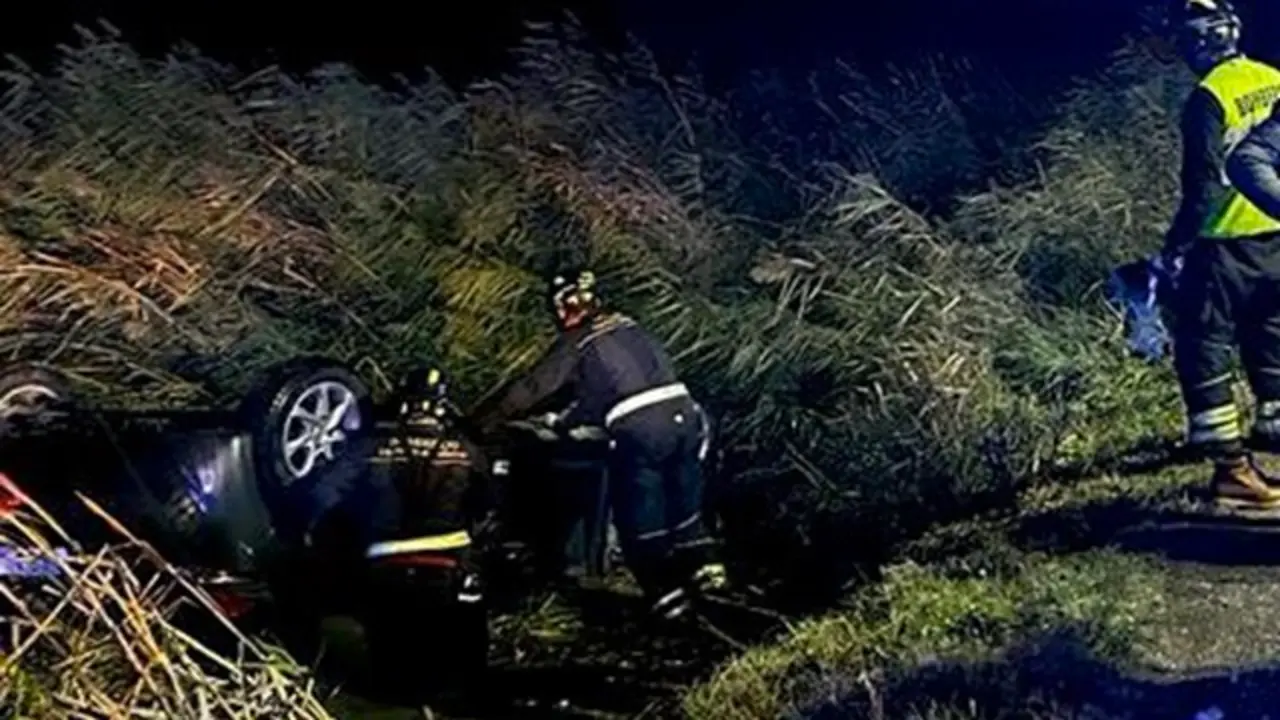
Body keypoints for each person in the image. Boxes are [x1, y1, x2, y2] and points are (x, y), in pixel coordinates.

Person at [469, 270, 726, 617]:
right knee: (683, 493)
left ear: (565, 306)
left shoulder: (579, 339)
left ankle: (661, 589)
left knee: (639, 503)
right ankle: (705, 565)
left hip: (642, 427)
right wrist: (572, 418)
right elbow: (602, 392)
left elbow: (531, 388)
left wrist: (483, 422)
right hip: (686, 416)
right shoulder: (631, 327)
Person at [1161, 0, 1280, 507]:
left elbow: (1203, 186)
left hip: (1222, 245)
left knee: (1202, 347)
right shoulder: (1273, 77)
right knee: (1272, 339)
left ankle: (1232, 470)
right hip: (1276, 237)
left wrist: (1176, 245)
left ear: (1196, 44)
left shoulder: (1207, 100)